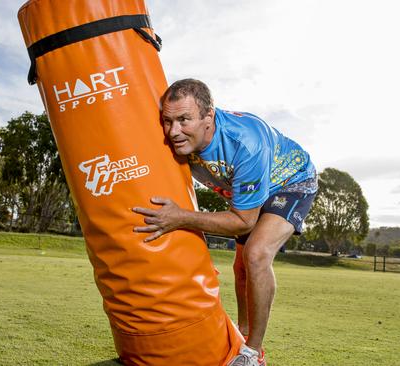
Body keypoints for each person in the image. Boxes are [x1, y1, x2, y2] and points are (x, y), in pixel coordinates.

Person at [132, 79, 318, 366]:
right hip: (250, 189)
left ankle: (253, 354)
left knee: (256, 255)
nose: (173, 131)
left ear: (209, 116)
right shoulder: (175, 137)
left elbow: (243, 221)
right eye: (168, 121)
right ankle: (242, 335)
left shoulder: (245, 143)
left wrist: (180, 217)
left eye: (184, 120)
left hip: (291, 182)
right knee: (241, 267)